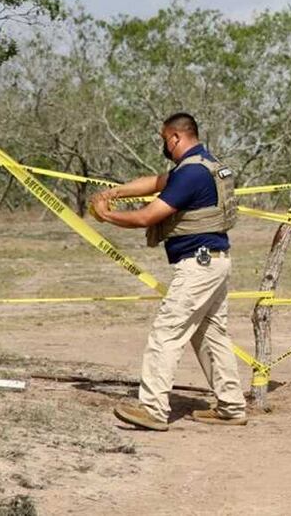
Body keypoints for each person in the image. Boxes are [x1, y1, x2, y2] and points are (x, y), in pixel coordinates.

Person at [91, 113, 247, 431]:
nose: (164, 145)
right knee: (212, 335)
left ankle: (153, 409)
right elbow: (157, 182)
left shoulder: (191, 174)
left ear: (175, 137)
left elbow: (148, 217)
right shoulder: (205, 164)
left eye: (164, 139)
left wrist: (107, 216)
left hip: (198, 265)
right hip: (213, 261)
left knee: (167, 332)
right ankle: (231, 406)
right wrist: (115, 193)